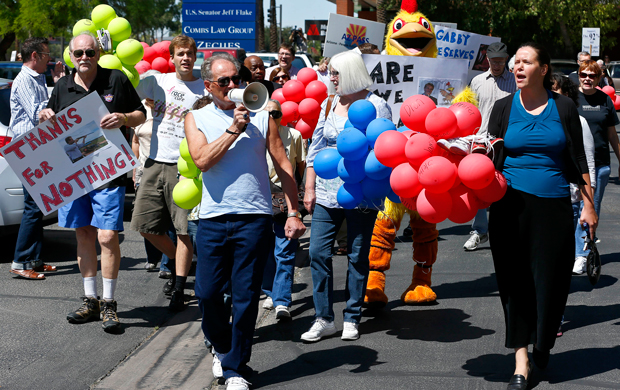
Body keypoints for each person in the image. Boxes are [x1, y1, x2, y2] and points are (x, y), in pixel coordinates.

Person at [185, 53, 305, 390]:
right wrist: (234, 129)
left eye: (235, 78)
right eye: (223, 81)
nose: (233, 86)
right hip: (212, 219)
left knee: (245, 296)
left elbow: (283, 165)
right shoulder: (196, 118)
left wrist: (294, 212)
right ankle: (223, 349)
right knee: (207, 294)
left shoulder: (263, 117)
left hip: (254, 218)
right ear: (208, 86)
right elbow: (202, 160)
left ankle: (236, 368)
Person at [487, 43, 596, 390]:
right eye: (515, 62)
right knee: (514, 284)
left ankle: (543, 343)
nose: (517, 67)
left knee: (551, 284)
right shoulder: (503, 108)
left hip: (553, 210)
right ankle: (521, 362)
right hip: (508, 208)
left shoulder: (563, 107)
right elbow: (489, 159)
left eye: (525, 62)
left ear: (544, 69)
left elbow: (578, 159)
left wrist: (590, 205)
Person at [39, 32, 146, 332]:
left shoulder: (116, 80)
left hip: (108, 172)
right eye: (79, 53)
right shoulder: (63, 85)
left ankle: (109, 303)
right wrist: (45, 114)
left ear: (98, 53)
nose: (85, 58)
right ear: (71, 57)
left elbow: (142, 114)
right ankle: (90, 300)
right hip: (73, 174)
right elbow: (49, 122)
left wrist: (124, 118)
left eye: (90, 52)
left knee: (107, 237)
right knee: (83, 233)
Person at [302, 50, 391, 343]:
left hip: (362, 194)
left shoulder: (378, 105)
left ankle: (352, 316)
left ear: (351, 72)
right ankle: (323, 318)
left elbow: (386, 151)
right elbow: (314, 151)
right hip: (327, 195)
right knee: (317, 252)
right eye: (330, 73)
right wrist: (310, 188)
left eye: (336, 73)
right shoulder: (329, 103)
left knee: (357, 255)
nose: (331, 78)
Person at [131, 35, 205, 312]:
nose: (185, 58)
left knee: (184, 231)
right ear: (171, 58)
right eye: (180, 54)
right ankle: (179, 262)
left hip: (184, 166)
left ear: (195, 57)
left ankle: (179, 287)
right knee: (144, 226)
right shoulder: (157, 81)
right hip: (153, 162)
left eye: (189, 53)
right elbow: (127, 88)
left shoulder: (203, 89)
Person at [8, 37, 65, 280]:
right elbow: (37, 113)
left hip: (37, 146)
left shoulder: (37, 78)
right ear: (34, 56)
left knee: (39, 204)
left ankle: (34, 259)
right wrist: (60, 86)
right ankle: (21, 261)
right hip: (27, 147)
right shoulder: (23, 80)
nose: (49, 59)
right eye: (45, 55)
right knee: (33, 206)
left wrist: (54, 83)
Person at [549, 72, 596, 337]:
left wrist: (589, 206)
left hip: (570, 202)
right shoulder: (535, 118)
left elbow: (586, 163)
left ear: (566, 95)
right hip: (539, 202)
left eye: (556, 92)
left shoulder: (578, 122)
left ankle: (555, 316)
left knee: (557, 265)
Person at [463, 41, 517, 251]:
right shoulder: (476, 82)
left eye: (500, 61)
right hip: (481, 142)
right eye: (493, 61)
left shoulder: (515, 81)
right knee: (478, 186)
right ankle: (479, 231)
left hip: (508, 142)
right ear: (487, 60)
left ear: (506, 60)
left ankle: (504, 230)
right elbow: (469, 111)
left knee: (506, 186)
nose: (496, 65)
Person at [572, 60, 620, 274]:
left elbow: (612, 134)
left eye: (592, 75)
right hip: (573, 165)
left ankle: (582, 254)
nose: (587, 78)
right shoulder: (569, 99)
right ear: (579, 75)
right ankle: (571, 250)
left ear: (599, 78)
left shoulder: (605, 101)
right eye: (584, 74)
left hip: (599, 166)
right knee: (573, 210)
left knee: (589, 208)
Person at [261, 99, 306, 319]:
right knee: (265, 252)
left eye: (276, 114)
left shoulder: (294, 135)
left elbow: (300, 168)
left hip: (283, 199)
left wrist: (299, 199)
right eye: (267, 114)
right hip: (259, 199)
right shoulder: (254, 134)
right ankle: (271, 291)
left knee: (285, 251)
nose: (272, 118)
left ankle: (282, 301)